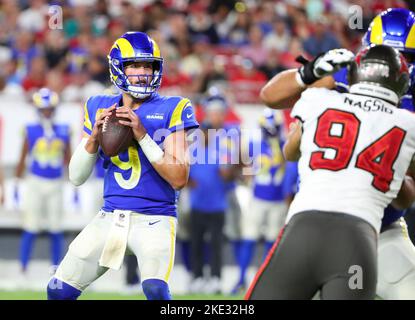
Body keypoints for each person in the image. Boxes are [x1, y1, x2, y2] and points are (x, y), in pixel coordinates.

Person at [257, 8, 415, 300]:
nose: (396, 64)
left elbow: (289, 147)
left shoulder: (329, 91)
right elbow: (270, 98)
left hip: (380, 226)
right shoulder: (338, 76)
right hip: (334, 222)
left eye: (407, 57)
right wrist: (308, 72)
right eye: (388, 54)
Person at [46, 31, 199, 300]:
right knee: (57, 290)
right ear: (118, 69)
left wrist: (141, 135)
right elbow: (76, 177)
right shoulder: (98, 105)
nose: (142, 73)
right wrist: (93, 138)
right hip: (110, 216)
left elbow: (179, 178)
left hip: (155, 218)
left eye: (148, 66)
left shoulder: (174, 107)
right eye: (134, 66)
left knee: (155, 291)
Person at [232, 109, 290, 295]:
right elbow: (241, 164)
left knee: (271, 243)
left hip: (278, 200)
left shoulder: (285, 146)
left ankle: (263, 280)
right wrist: (246, 176)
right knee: (249, 239)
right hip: (258, 198)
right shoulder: (255, 145)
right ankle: (242, 278)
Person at [15, 87, 71, 274]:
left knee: (56, 226)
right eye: (44, 109)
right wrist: (16, 180)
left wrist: (73, 180)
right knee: (30, 224)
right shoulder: (30, 129)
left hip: (55, 182)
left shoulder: (63, 129)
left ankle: (56, 266)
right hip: (35, 181)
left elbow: (69, 158)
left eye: (50, 109)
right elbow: (23, 156)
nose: (47, 112)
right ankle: (23, 266)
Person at [187, 121, 236, 295]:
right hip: (197, 204)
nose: (206, 135)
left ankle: (215, 278)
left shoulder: (221, 151)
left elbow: (228, 177)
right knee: (197, 244)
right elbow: (184, 173)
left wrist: (230, 171)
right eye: (204, 132)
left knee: (216, 244)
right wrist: (190, 182)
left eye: (209, 132)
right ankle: (197, 277)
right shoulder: (192, 151)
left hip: (217, 205)